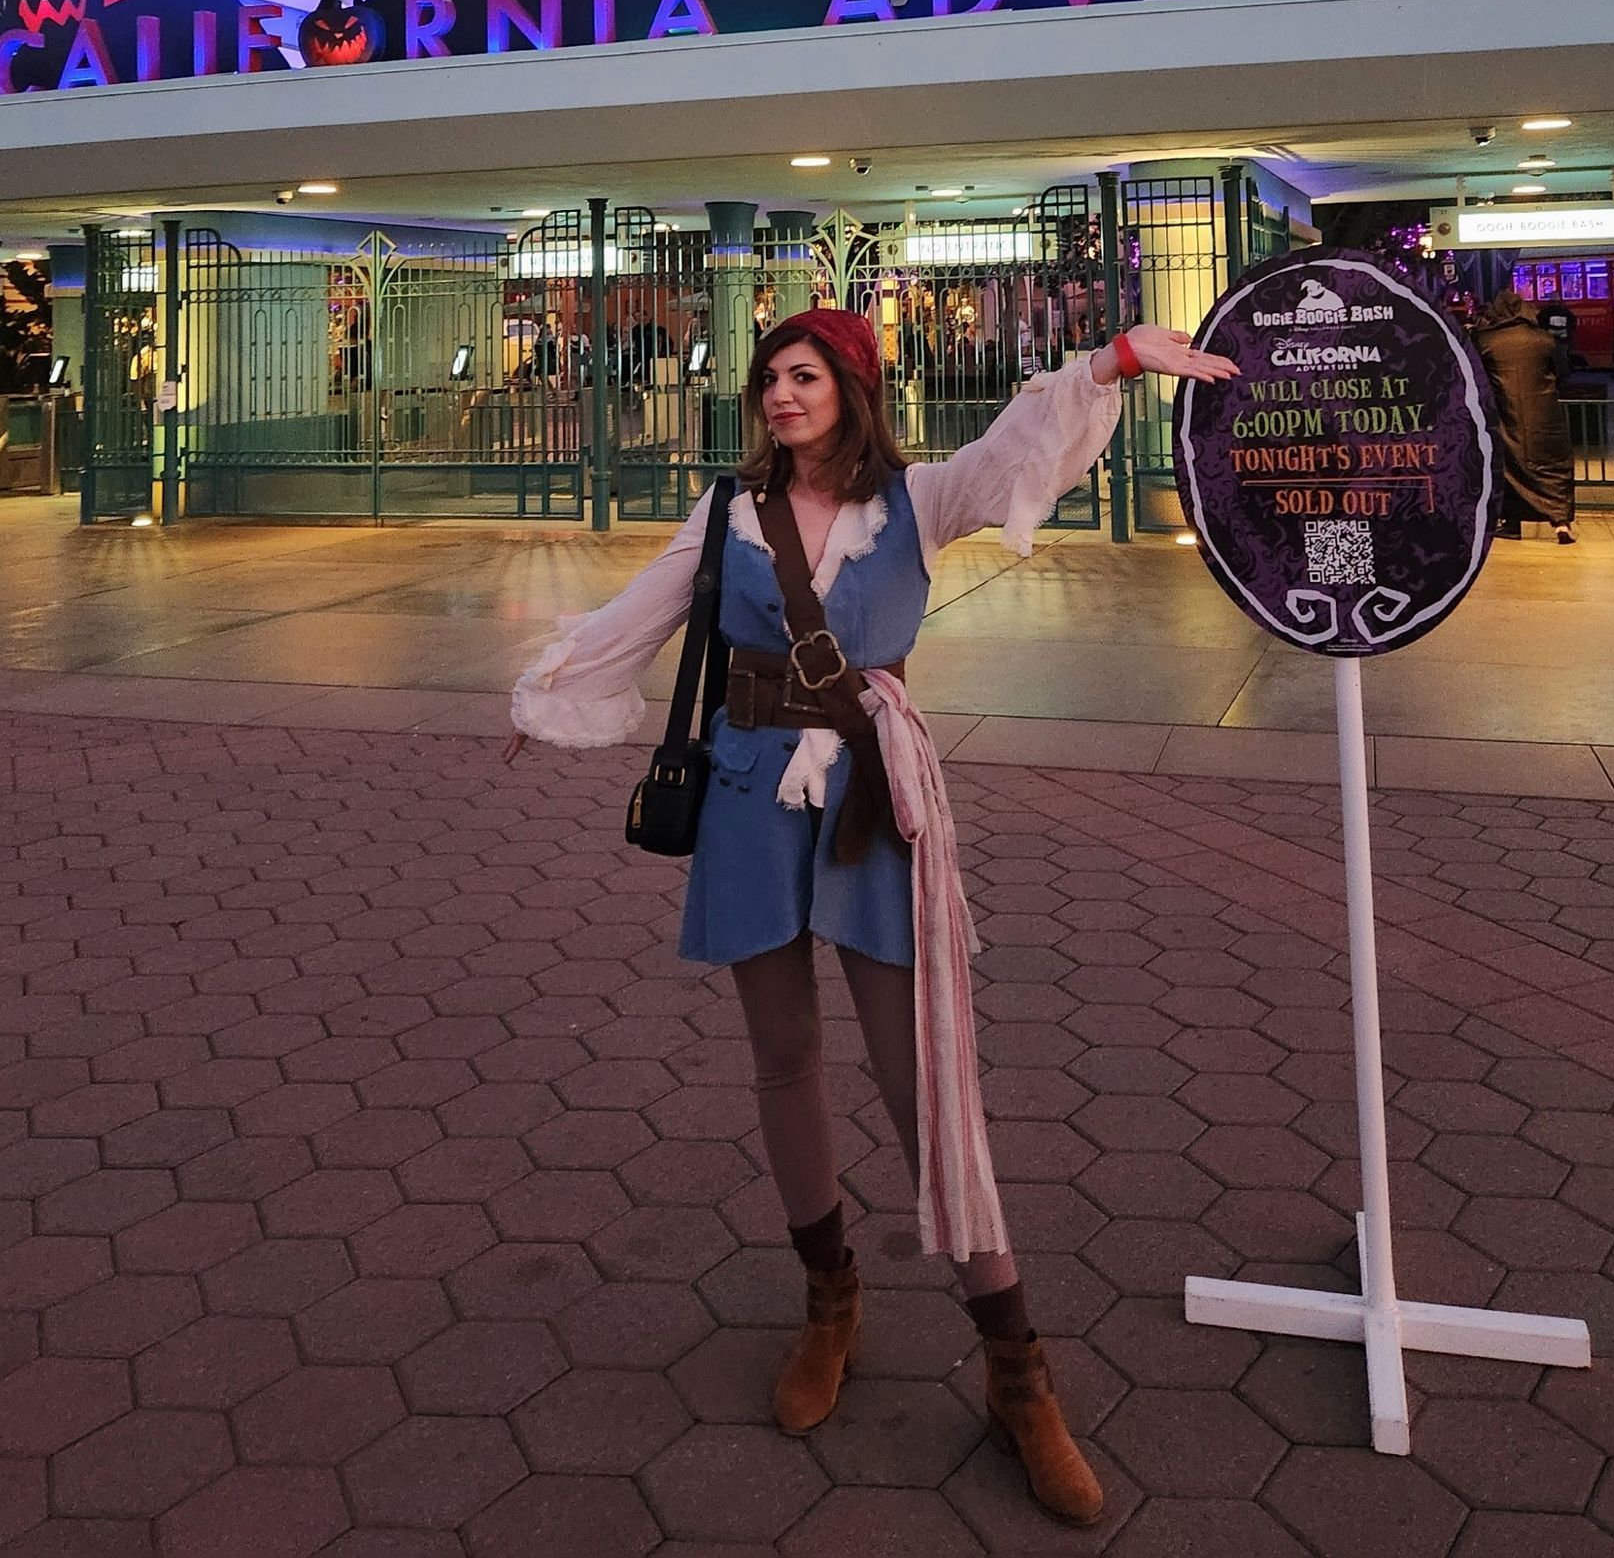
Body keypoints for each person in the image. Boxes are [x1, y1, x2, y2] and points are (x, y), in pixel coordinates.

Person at [505, 305, 1235, 1525]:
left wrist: (1109, 363)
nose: (781, 395)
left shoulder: (918, 499)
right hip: (747, 793)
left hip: (872, 796)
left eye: (805, 375)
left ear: (852, 385)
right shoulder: (727, 511)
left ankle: (1016, 1367)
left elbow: (1018, 451)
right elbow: (639, 610)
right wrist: (544, 692)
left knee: (920, 1073)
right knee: (784, 1057)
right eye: (769, 378)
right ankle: (830, 1299)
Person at [1473, 288, 1576, 543]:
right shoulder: (1544, 339)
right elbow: (1562, 371)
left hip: (1506, 415)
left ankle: (1512, 523)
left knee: (1510, 469)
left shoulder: (1486, 340)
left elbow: (1477, 378)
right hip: (1545, 414)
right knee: (1552, 466)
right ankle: (1561, 523)